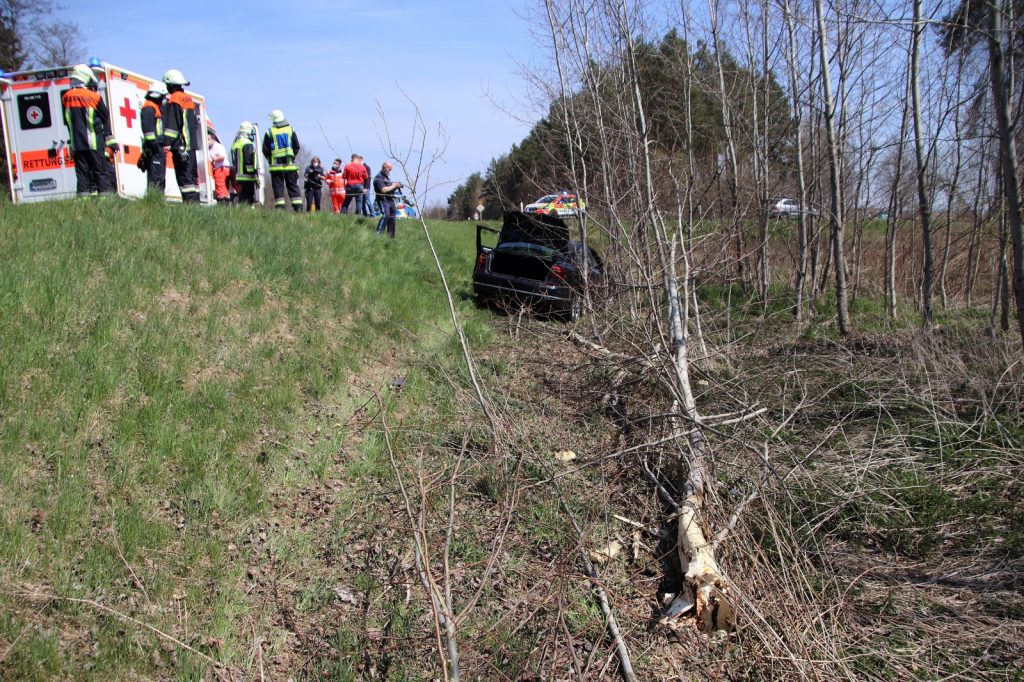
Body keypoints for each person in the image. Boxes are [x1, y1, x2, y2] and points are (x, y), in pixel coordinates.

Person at [61, 64, 117, 196]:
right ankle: (105, 201)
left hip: (77, 144)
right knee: (100, 172)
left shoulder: (66, 97)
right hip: (94, 142)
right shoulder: (94, 97)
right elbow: (105, 116)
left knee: (82, 174)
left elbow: (68, 122)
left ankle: (83, 202)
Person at [160, 68, 200, 203]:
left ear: (170, 84)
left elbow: (173, 123)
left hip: (181, 146)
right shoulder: (188, 99)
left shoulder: (175, 99)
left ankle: (190, 207)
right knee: (191, 178)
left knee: (184, 178)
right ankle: (194, 205)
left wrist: (167, 142)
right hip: (191, 146)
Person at [262, 109, 303, 211]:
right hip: (289, 165)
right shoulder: (290, 129)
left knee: (278, 187)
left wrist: (270, 160)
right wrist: (291, 157)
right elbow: (296, 146)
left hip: (275, 167)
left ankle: (280, 208)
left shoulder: (269, 132)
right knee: (292, 185)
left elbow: (265, 149)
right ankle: (298, 208)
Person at [139, 80, 166, 192]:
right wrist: (155, 146)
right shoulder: (149, 108)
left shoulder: (153, 107)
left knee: (159, 176)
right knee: (156, 177)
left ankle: (157, 200)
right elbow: (149, 131)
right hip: (154, 148)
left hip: (156, 147)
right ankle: (155, 201)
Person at [231, 121, 259, 206]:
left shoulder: (236, 144)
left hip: (239, 176)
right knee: (248, 198)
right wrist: (253, 173)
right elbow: (248, 160)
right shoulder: (247, 143)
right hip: (247, 176)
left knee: (242, 197)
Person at [373, 161, 403, 239]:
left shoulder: (387, 178)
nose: (390, 171)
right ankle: (378, 234)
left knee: (392, 218)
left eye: (391, 170)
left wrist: (397, 186)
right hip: (383, 199)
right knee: (386, 215)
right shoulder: (378, 177)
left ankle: (391, 237)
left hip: (390, 200)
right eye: (389, 169)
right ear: (384, 168)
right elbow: (383, 190)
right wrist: (394, 185)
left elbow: (390, 189)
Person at [208, 128, 231, 205]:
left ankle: (223, 201)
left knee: (220, 184)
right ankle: (226, 200)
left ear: (213, 138)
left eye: (209, 139)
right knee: (222, 186)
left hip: (221, 168)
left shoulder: (218, 146)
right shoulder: (210, 148)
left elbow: (222, 156)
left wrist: (213, 159)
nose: (207, 141)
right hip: (219, 168)